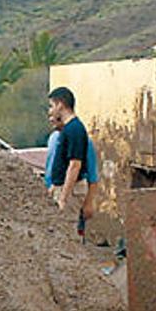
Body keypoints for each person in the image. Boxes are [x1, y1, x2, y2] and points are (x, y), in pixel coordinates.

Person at [47, 87, 94, 217]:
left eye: (52, 106)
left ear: (60, 104)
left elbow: (74, 165)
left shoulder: (75, 129)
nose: (50, 111)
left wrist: (63, 198)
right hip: (63, 188)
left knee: (67, 228)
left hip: (71, 191)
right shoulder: (67, 129)